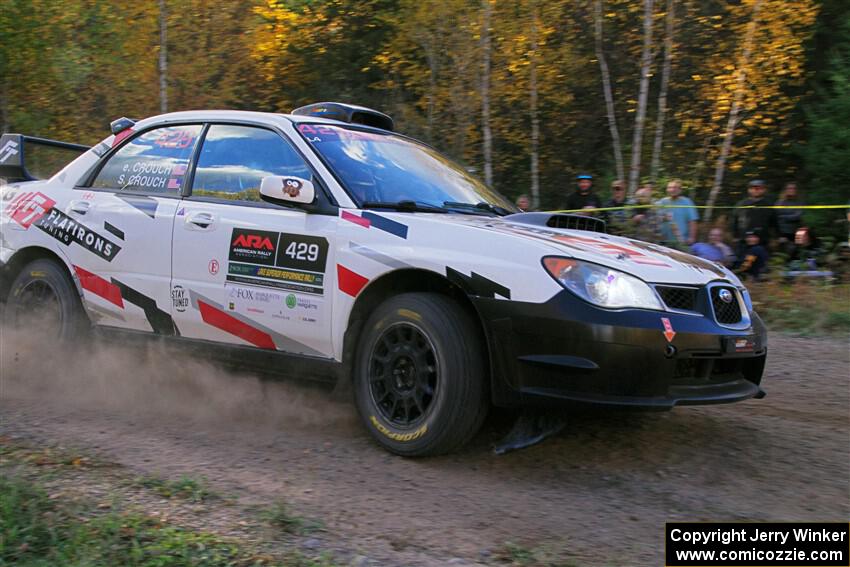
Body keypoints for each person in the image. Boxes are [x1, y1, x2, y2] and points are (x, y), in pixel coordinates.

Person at [731, 179, 778, 255]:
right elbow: (734, 221)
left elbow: (774, 223)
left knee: (760, 263)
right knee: (742, 262)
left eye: (759, 188)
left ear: (764, 189)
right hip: (744, 241)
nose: (756, 190)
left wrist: (775, 238)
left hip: (763, 241)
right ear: (749, 190)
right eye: (753, 188)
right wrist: (735, 236)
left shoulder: (768, 205)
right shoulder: (741, 204)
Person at [656, 179, 699, 245]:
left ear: (680, 190)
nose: (672, 190)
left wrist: (691, 238)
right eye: (670, 187)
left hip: (681, 241)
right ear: (667, 190)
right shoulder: (662, 202)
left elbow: (692, 221)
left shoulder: (687, 202)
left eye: (675, 187)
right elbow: (656, 218)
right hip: (664, 241)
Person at [775, 182, 805, 252]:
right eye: (789, 188)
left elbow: (797, 216)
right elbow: (776, 217)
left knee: (797, 253)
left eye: (793, 188)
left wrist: (782, 217)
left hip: (797, 232)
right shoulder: (779, 202)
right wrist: (779, 235)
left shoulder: (800, 202)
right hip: (783, 233)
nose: (791, 190)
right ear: (785, 190)